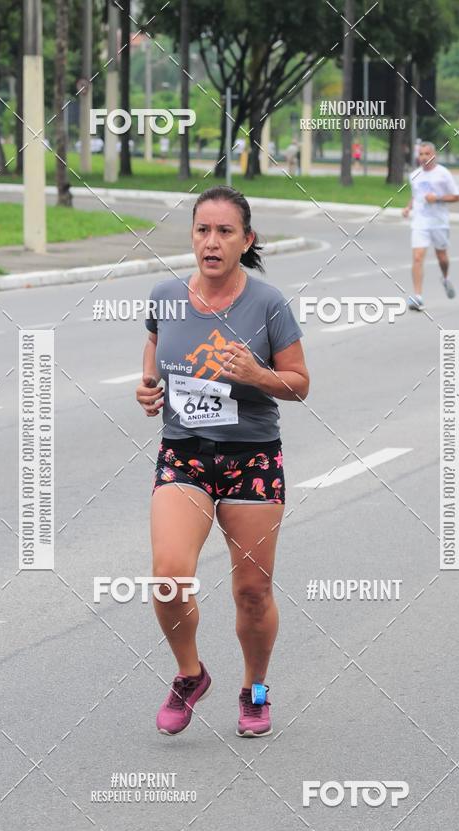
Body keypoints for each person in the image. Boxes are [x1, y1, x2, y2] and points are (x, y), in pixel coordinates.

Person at [136, 185, 309, 739]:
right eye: (202, 230)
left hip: (251, 458)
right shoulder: (165, 295)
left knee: (252, 592)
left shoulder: (268, 304)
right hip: (184, 454)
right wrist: (148, 388)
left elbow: (299, 384)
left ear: (247, 240)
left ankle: (255, 689)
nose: (211, 242)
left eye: (225, 232)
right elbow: (154, 349)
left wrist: (258, 375)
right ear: (192, 236)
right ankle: (190, 673)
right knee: (168, 578)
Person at [402, 141, 459, 311]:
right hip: (420, 222)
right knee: (418, 257)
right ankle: (418, 297)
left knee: (442, 258)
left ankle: (445, 278)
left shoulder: (443, 174)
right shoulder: (414, 175)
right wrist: (408, 207)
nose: (423, 157)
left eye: (427, 154)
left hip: (439, 222)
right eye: (421, 154)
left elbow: (456, 196)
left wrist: (438, 198)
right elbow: (416, 195)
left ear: (434, 155)